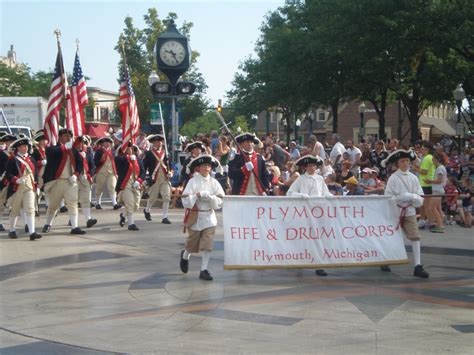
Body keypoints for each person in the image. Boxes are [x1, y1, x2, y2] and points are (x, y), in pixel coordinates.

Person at [382, 149, 429, 278]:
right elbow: (388, 197)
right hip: (395, 213)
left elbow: (420, 198)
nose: (405, 163)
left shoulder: (414, 178)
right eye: (402, 161)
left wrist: (413, 198)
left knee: (415, 236)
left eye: (407, 161)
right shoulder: (393, 178)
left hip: (409, 212)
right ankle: (386, 260)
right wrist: (400, 198)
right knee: (391, 237)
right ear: (397, 164)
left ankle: (418, 265)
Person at [179, 154, 225, 281]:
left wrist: (211, 197)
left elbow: (221, 198)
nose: (207, 168)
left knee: (207, 244)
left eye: (209, 166)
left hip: (209, 217)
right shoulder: (192, 182)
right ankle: (185, 256)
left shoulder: (214, 182)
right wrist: (197, 195)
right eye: (204, 165)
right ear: (198, 168)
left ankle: (204, 269)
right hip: (195, 215)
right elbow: (185, 199)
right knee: (191, 245)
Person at [287, 155, 332, 277]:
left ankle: (319, 265)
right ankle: (300, 258)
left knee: (319, 238)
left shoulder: (320, 179)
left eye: (314, 165)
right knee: (304, 237)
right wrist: (301, 195)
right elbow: (290, 193)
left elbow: (325, 192)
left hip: (318, 213)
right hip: (305, 214)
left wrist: (330, 197)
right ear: (306, 167)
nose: (313, 167)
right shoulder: (301, 179)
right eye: (311, 165)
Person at [41, 128, 86, 235]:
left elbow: (80, 163)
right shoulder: (54, 147)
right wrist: (64, 147)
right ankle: (48, 224)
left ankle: (74, 226)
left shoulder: (73, 150)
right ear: (60, 137)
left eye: (69, 136)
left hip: (70, 182)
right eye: (65, 136)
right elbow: (51, 153)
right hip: (57, 182)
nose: (68, 138)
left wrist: (76, 174)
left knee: (72, 204)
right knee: (53, 205)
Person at [5, 137, 42, 240]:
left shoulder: (31, 159)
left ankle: (32, 232)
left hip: (29, 187)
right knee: (15, 210)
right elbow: (8, 174)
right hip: (17, 188)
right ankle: (12, 230)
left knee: (30, 209)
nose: (25, 148)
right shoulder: (13, 159)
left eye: (26, 146)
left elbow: (35, 174)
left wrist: (37, 185)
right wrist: (16, 180)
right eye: (22, 146)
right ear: (18, 148)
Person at [143, 134, 172, 224]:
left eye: (160, 141)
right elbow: (144, 167)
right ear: (153, 143)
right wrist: (145, 178)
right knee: (153, 198)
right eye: (156, 142)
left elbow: (170, 166)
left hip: (164, 178)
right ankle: (147, 210)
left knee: (167, 197)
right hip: (154, 178)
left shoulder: (166, 153)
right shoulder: (149, 154)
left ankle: (165, 217)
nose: (158, 143)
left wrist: (170, 172)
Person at [115, 142, 145, 231]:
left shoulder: (137, 159)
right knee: (130, 204)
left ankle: (123, 215)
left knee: (136, 206)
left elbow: (142, 172)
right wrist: (127, 158)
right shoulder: (120, 159)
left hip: (135, 184)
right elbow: (118, 163)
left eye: (131, 148)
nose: (130, 150)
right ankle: (131, 224)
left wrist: (139, 180)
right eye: (127, 148)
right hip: (125, 185)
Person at [74, 136, 97, 229]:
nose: (81, 144)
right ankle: (72, 220)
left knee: (86, 200)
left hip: (85, 179)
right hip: (75, 179)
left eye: (83, 142)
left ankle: (88, 219)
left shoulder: (87, 153)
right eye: (79, 142)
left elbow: (92, 165)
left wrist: (90, 175)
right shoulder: (72, 153)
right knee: (74, 201)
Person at [94, 137, 121, 210]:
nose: (107, 144)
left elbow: (115, 161)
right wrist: (101, 160)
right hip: (101, 172)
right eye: (106, 142)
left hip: (111, 172)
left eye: (108, 142)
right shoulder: (99, 151)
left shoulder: (112, 151)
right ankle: (98, 203)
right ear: (102, 143)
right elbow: (95, 162)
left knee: (112, 187)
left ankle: (114, 203)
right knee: (99, 188)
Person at [425, 152, 448, 233]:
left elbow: (439, 180)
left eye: (433, 159)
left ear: (437, 159)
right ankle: (440, 224)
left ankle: (440, 225)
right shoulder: (440, 168)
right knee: (438, 208)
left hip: (437, 190)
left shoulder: (440, 168)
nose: (432, 160)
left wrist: (429, 181)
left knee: (433, 208)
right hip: (438, 190)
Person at [0, 133, 16, 231]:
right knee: (1, 204)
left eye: (12, 142)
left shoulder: (17, 155)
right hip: (4, 182)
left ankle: (27, 224)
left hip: (15, 182)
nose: (10, 144)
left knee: (17, 204)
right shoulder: (1, 154)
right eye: (8, 142)